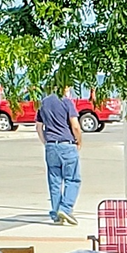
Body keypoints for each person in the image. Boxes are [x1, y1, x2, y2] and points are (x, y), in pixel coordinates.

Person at [37, 87, 82, 226]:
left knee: (54, 181)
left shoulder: (43, 103)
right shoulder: (67, 102)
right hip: (67, 144)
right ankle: (65, 208)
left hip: (51, 145)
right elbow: (75, 126)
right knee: (72, 179)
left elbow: (39, 127)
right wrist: (79, 141)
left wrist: (46, 142)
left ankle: (57, 214)